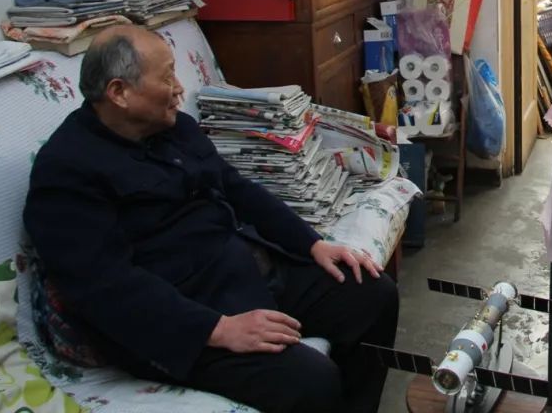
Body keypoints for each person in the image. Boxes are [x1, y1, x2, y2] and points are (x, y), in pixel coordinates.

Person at [24, 25, 398, 413]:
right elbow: (105, 286)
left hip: (245, 271)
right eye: (167, 76)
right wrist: (216, 329)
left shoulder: (172, 128)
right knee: (311, 381)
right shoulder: (67, 171)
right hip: (180, 318)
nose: (179, 88)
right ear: (119, 92)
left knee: (372, 295)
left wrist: (312, 243)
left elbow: (236, 188)